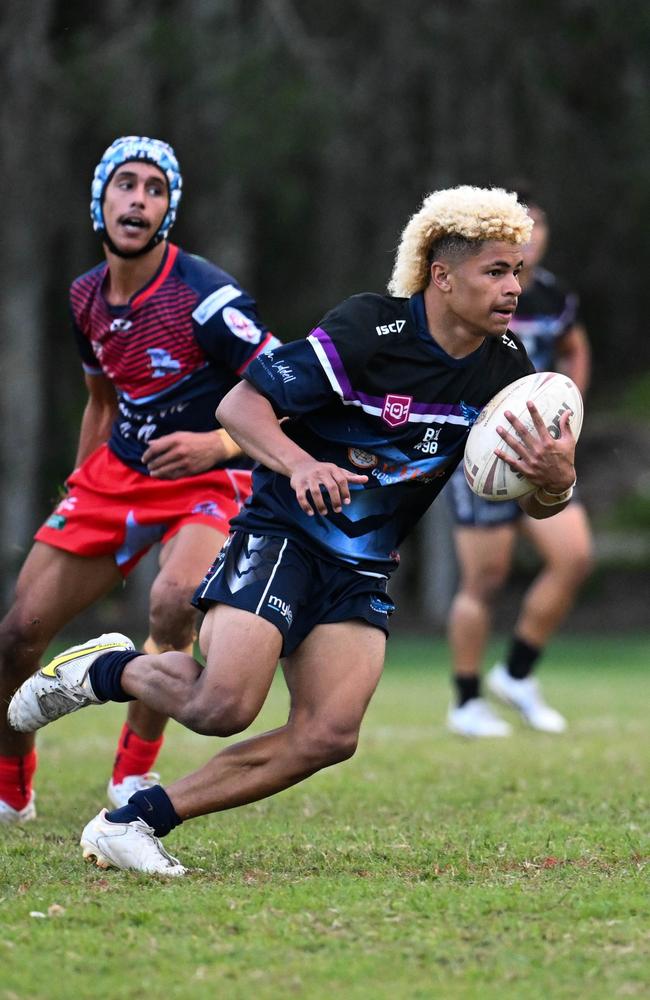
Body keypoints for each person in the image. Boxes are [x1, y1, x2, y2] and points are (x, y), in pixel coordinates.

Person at [8, 185, 579, 876]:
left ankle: (134, 822)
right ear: (442, 275)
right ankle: (104, 669)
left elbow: (537, 507)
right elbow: (239, 406)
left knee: (331, 733)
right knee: (222, 705)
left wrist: (554, 479)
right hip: (284, 532)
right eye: (497, 270)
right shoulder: (370, 329)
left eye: (517, 271)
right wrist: (302, 463)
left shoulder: (509, 372)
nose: (514, 287)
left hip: (361, 566)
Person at [0, 136, 279, 823]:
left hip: (211, 480)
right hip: (116, 474)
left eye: (155, 190)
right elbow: (102, 400)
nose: (139, 199)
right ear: (102, 200)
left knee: (174, 602)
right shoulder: (84, 297)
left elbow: (285, 387)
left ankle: (132, 772)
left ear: (167, 211)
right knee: (17, 634)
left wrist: (216, 443)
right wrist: (78, 485)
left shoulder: (206, 297)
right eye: (127, 184)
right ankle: (12, 786)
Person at [445, 192, 593, 738]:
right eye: (522, 221)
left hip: (545, 452)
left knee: (574, 557)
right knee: (485, 579)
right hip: (483, 455)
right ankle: (465, 701)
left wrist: (573, 405)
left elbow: (575, 347)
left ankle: (516, 676)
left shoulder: (553, 295)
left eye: (540, 220)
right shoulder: (473, 291)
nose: (533, 230)